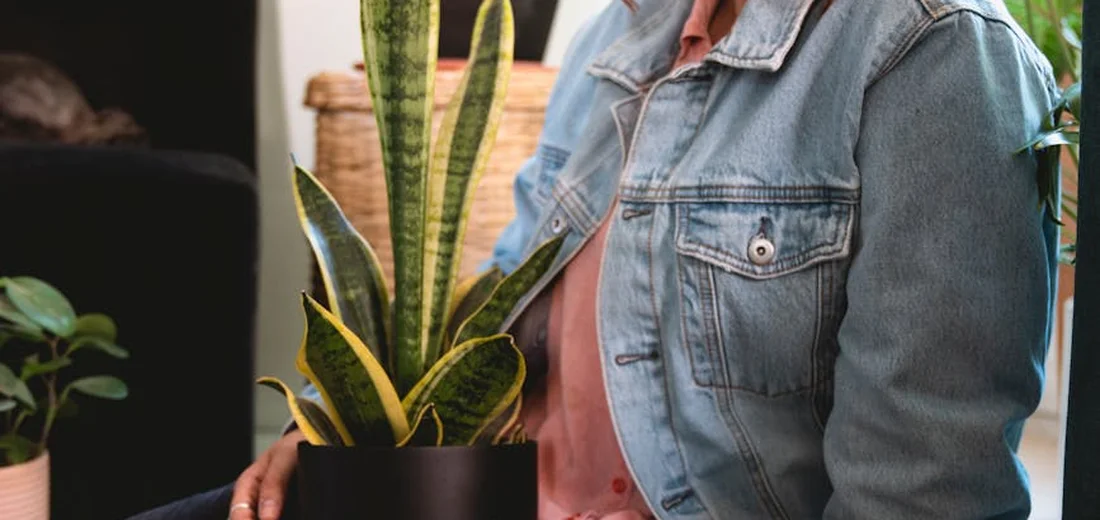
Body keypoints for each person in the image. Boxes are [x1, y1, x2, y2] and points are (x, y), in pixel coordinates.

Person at [130, 0, 1061, 518]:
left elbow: (924, 505)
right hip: (467, 486)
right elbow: (490, 323)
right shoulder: (619, 35)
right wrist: (345, 439)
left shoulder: (937, 58)